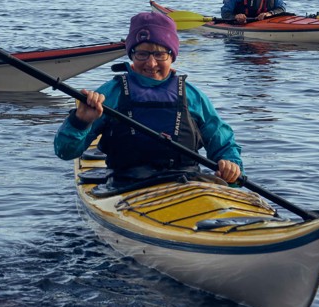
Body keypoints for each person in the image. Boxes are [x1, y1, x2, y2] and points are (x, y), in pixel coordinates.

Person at [54, 10, 242, 188]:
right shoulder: (111, 94)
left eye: (160, 54)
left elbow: (223, 143)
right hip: (125, 186)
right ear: (131, 55)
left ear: (172, 57)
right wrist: (80, 122)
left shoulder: (192, 96)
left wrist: (230, 165)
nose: (151, 64)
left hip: (187, 184)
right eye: (142, 54)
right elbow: (65, 152)